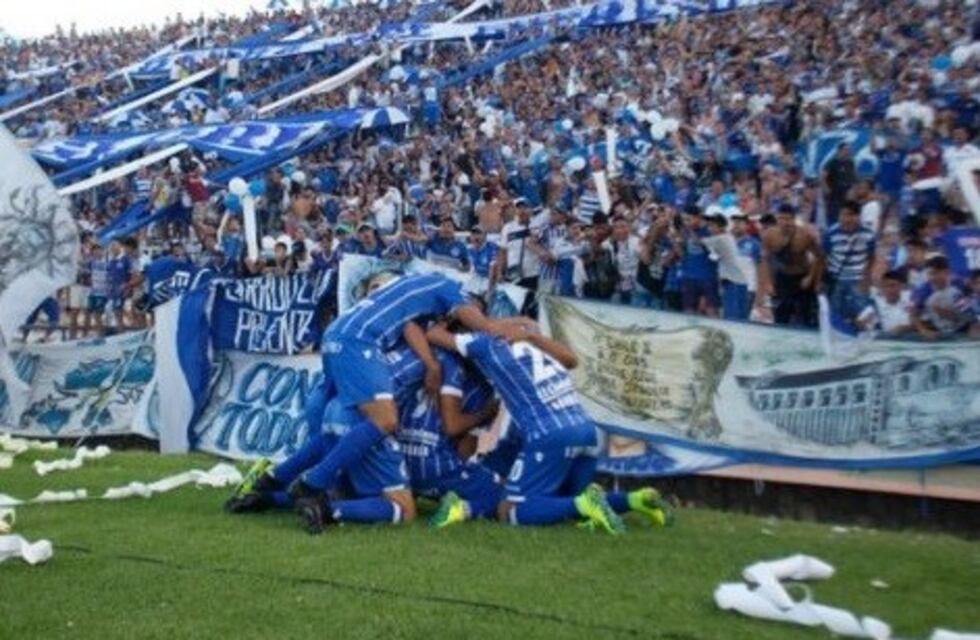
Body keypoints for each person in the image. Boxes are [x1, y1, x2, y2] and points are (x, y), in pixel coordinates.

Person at [279, 272, 520, 531]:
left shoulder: (401, 335)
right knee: (405, 508)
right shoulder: (450, 359)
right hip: (400, 442)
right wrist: (485, 412)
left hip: (340, 408)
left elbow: (412, 326)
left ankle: (271, 487)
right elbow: (453, 426)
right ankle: (318, 496)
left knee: (347, 480)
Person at [427, 322, 674, 532]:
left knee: (512, 511)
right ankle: (636, 499)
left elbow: (435, 334)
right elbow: (571, 360)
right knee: (559, 501)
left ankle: (585, 504)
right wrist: (530, 334)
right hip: (586, 430)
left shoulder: (484, 343)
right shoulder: (535, 347)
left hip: (550, 432)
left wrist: (451, 318)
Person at [758, 205, 824, 327]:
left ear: (793, 220)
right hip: (782, 278)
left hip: (802, 277)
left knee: (805, 317)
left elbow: (819, 257)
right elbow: (765, 260)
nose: (785, 223)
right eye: (781, 219)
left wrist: (811, 278)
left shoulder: (805, 235)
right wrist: (767, 283)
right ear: (777, 219)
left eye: (788, 219)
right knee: (780, 317)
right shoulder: (769, 235)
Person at [822, 201, 876, 324]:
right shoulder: (831, 233)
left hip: (858, 280)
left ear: (858, 216)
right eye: (843, 215)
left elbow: (871, 257)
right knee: (836, 315)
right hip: (836, 279)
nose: (846, 219)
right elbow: (824, 256)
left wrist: (866, 278)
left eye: (850, 215)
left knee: (864, 315)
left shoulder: (868, 233)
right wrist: (824, 279)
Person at [911, 255, 975, 340]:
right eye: (930, 274)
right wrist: (923, 331)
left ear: (947, 272)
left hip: (964, 329)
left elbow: (971, 315)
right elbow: (913, 315)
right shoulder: (924, 291)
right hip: (939, 332)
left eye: (936, 273)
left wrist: (972, 327)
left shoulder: (961, 286)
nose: (933, 278)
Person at [703, 215, 750, 320]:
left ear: (721, 227)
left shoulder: (720, 239)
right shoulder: (729, 238)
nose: (709, 229)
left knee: (731, 317)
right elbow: (714, 257)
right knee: (740, 317)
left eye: (712, 226)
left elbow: (698, 241)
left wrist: (687, 231)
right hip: (738, 281)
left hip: (733, 282)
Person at [856, 270, 913, 336]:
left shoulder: (912, 299)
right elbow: (860, 323)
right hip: (888, 339)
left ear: (901, 286)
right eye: (885, 286)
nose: (889, 290)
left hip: (912, 337)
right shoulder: (876, 304)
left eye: (892, 286)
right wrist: (864, 324)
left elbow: (921, 322)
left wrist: (905, 328)